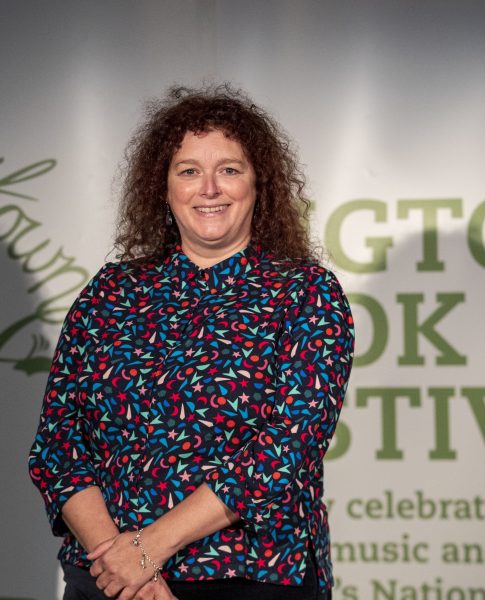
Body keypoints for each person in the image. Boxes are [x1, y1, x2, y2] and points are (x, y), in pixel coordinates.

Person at [28, 85, 354, 600]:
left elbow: (286, 450)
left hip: (253, 577)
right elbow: (58, 446)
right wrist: (125, 566)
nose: (209, 188)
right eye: (188, 171)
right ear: (163, 187)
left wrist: (149, 549)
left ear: (258, 183)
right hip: (110, 580)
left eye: (229, 169)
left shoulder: (305, 293)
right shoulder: (110, 292)